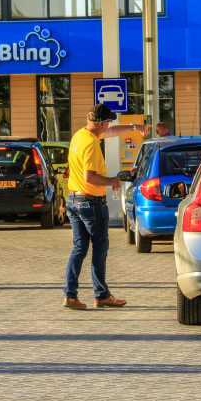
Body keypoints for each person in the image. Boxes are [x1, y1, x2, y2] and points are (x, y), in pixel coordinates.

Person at [63, 104, 150, 310]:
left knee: (79, 248)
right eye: (108, 122)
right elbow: (90, 176)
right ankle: (101, 295)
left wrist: (135, 126)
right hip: (91, 203)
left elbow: (111, 132)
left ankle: (70, 295)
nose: (109, 125)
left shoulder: (80, 136)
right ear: (102, 123)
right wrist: (112, 181)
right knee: (100, 247)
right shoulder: (91, 145)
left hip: (74, 201)